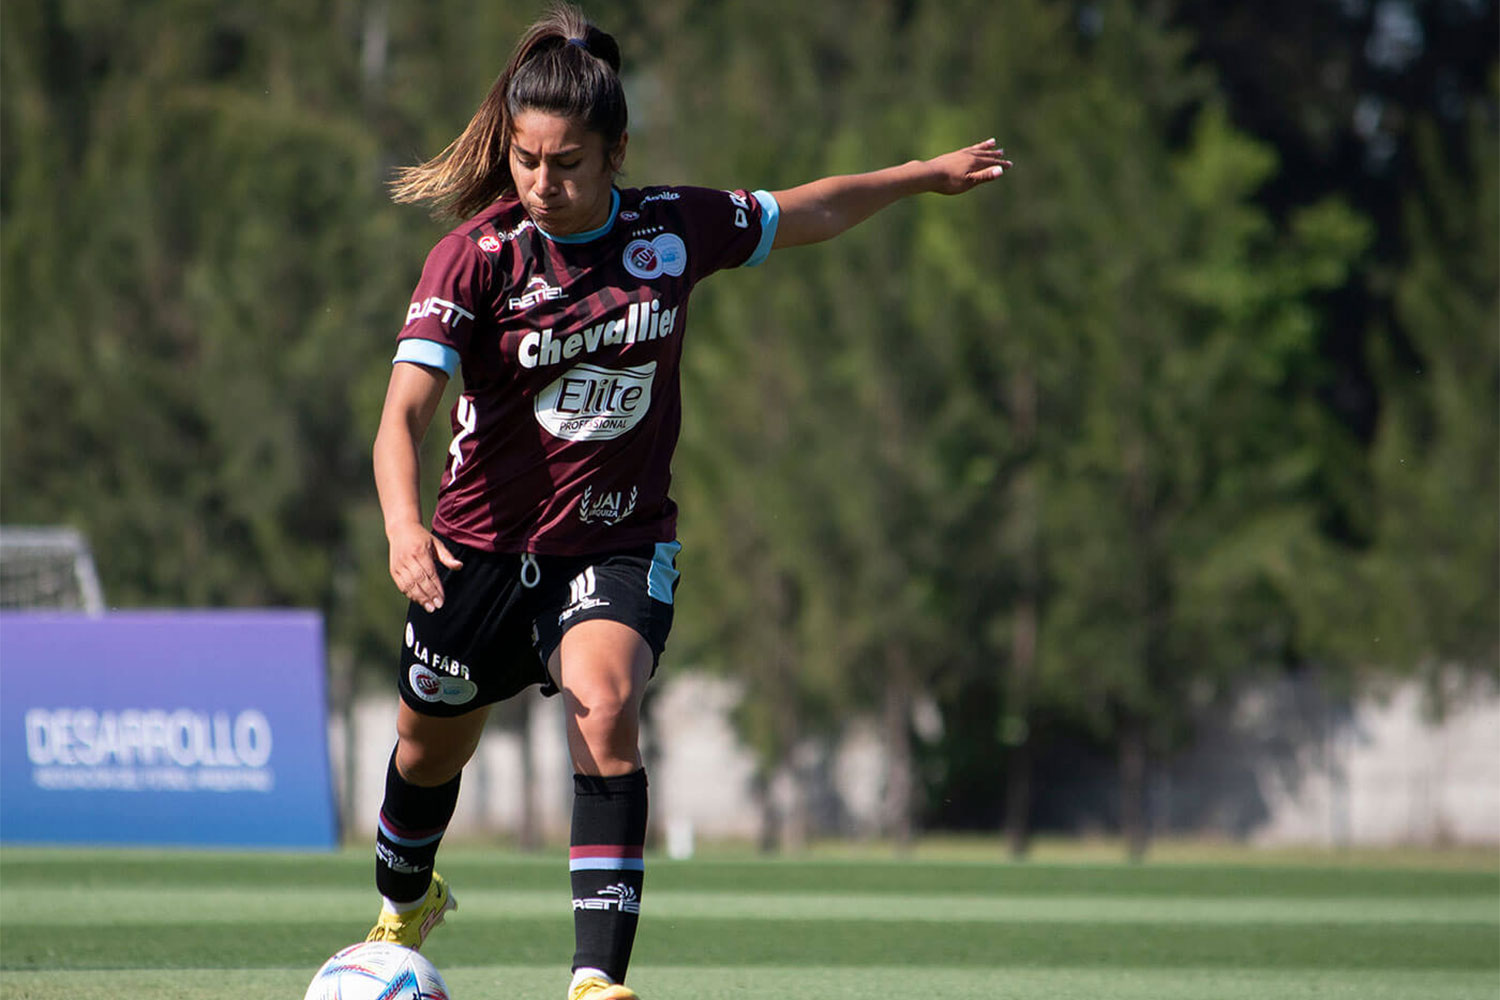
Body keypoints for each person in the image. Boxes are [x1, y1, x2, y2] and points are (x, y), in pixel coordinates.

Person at [363, 4, 1011, 999]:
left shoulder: (673, 228)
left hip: (613, 543)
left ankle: (594, 981)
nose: (544, 181)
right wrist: (407, 527)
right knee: (425, 742)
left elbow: (813, 210)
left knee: (607, 705)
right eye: (528, 160)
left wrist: (922, 177)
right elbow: (404, 413)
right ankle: (406, 899)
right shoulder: (475, 256)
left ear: (616, 150)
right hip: (476, 551)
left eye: (569, 161)